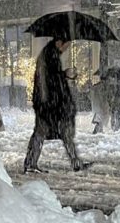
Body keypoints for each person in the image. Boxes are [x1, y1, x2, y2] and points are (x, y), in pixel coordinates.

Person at [24, 38, 91, 173]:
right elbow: (50, 79)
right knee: (44, 132)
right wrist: (63, 74)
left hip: (49, 103)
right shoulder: (50, 55)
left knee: (54, 133)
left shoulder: (50, 54)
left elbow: (50, 78)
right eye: (66, 45)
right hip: (50, 104)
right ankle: (31, 163)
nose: (66, 48)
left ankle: (74, 162)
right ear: (59, 42)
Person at [105, 67, 120, 132]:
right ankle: (116, 127)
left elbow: (109, 93)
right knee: (117, 114)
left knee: (113, 113)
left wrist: (110, 99)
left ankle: (113, 126)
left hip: (114, 101)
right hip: (117, 101)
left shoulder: (111, 84)